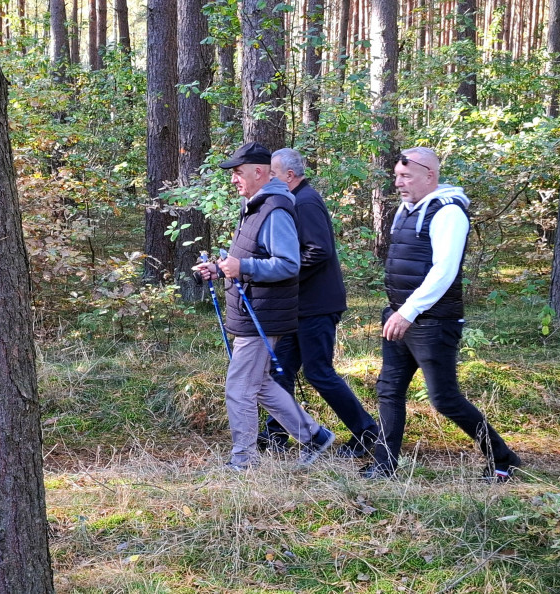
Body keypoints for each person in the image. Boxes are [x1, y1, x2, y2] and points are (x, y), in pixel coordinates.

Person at [365, 148, 522, 482]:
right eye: (396, 176)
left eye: (405, 176)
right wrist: (398, 312)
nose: (398, 183)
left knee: (444, 399)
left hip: (433, 322)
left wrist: (408, 312)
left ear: (429, 176)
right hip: (399, 316)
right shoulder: (405, 211)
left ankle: (503, 457)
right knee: (389, 390)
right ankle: (384, 465)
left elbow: (444, 271)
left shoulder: (449, 213)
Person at [193, 142, 335, 470]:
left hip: (263, 313)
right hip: (253, 309)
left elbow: (288, 263)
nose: (233, 180)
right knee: (260, 383)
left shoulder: (275, 209)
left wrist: (241, 268)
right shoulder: (255, 206)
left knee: (240, 387)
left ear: (259, 172)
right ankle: (314, 436)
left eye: (238, 173)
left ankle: (243, 463)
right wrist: (219, 268)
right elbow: (248, 256)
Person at [257, 148, 378, 458]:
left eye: (273, 172)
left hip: (317, 305)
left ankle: (367, 434)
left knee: (318, 372)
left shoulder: (305, 201)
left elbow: (319, 250)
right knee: (279, 370)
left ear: (289, 176)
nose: (269, 177)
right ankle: (275, 434)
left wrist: (285, 274)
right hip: (300, 305)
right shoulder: (292, 200)